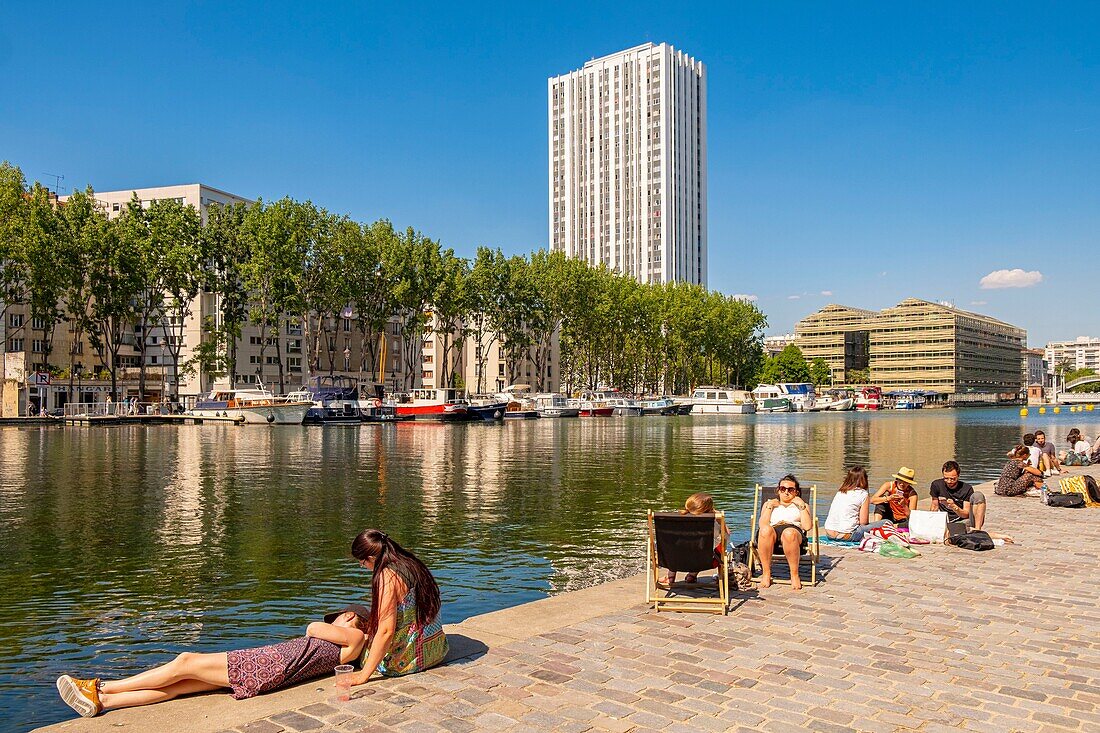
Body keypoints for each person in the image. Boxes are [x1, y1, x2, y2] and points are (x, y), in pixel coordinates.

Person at [55, 606, 369, 718]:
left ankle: (98, 686)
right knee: (179, 687)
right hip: (269, 669)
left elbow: (312, 627)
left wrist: (338, 627)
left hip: (262, 664)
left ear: (351, 617)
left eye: (339, 616)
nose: (335, 619)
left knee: (184, 661)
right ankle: (105, 702)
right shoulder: (342, 649)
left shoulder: (352, 641)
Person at [343, 529, 448, 685]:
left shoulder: (388, 577)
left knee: (361, 647)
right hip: (437, 651)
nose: (362, 566)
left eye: (362, 562)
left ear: (371, 558)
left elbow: (386, 631)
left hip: (408, 661)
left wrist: (363, 675)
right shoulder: (411, 562)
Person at [756, 475, 813, 591]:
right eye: (783, 489)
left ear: (796, 492)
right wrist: (770, 506)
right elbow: (762, 525)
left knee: (789, 533)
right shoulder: (769, 504)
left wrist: (801, 505)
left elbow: (807, 526)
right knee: (765, 530)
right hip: (773, 531)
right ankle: (766, 574)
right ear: (778, 490)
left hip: (793, 531)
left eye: (790, 490)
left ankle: (794, 575)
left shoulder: (802, 505)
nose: (786, 492)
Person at [663, 492, 729, 585]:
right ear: (709, 508)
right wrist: (720, 519)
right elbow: (726, 537)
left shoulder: (676, 519)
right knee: (704, 548)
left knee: (676, 545)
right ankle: (692, 575)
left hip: (674, 560)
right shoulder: (715, 519)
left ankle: (671, 576)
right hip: (705, 561)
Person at [823, 466, 890, 542]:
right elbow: (863, 522)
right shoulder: (863, 494)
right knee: (886, 522)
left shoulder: (840, 491)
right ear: (864, 480)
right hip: (847, 536)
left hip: (829, 534)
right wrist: (867, 490)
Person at [929, 460, 985, 530]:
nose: (949, 481)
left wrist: (954, 507)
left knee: (978, 496)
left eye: (953, 479)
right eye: (946, 478)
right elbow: (934, 507)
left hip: (963, 520)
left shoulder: (967, 489)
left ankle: (977, 530)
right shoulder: (936, 485)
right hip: (946, 521)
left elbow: (966, 514)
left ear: (958, 476)